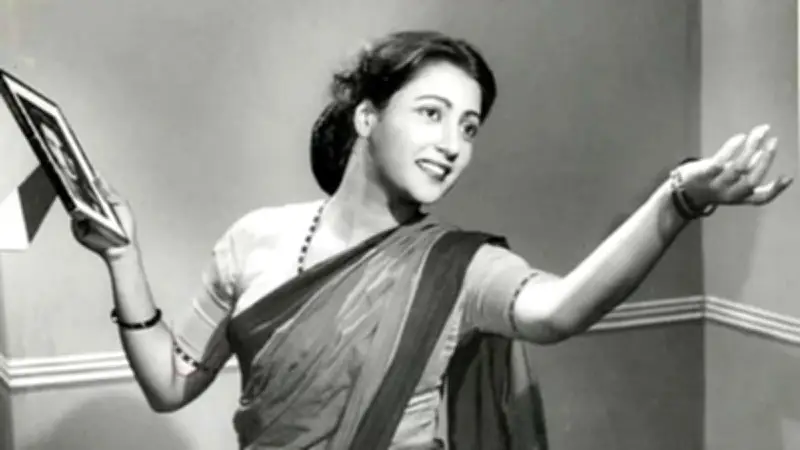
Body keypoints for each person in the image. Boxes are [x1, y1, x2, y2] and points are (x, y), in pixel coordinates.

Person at [72, 30, 792, 450]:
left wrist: (677, 200)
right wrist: (122, 259)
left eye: (469, 127)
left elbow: (561, 311)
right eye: (431, 113)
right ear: (366, 117)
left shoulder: (461, 265)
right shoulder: (254, 239)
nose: (453, 144)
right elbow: (170, 386)